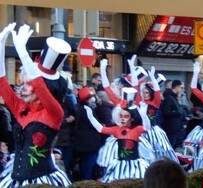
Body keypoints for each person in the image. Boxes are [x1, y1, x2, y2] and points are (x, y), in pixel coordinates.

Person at [0, 23, 71, 187]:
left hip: (43, 180)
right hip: (15, 179)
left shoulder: (54, 113)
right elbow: (2, 83)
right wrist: (1, 45)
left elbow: (39, 84)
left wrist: (23, 52)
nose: (23, 87)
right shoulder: (21, 108)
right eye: (23, 82)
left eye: (28, 83)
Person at [84, 88, 153, 183]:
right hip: (119, 165)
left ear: (132, 118)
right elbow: (100, 129)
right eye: (121, 116)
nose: (123, 119)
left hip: (135, 165)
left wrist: (144, 115)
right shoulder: (117, 130)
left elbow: (147, 127)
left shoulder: (136, 130)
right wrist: (90, 116)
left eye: (126, 116)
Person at [73, 87, 102, 180]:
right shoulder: (86, 109)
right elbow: (95, 124)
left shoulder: (81, 108)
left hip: (84, 143)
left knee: (85, 164)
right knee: (88, 166)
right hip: (89, 144)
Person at [161, 80, 187, 150]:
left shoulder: (174, 97)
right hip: (171, 129)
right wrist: (178, 112)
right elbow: (166, 112)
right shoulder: (169, 98)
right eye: (181, 88)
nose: (182, 90)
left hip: (176, 128)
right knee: (170, 148)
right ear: (177, 87)